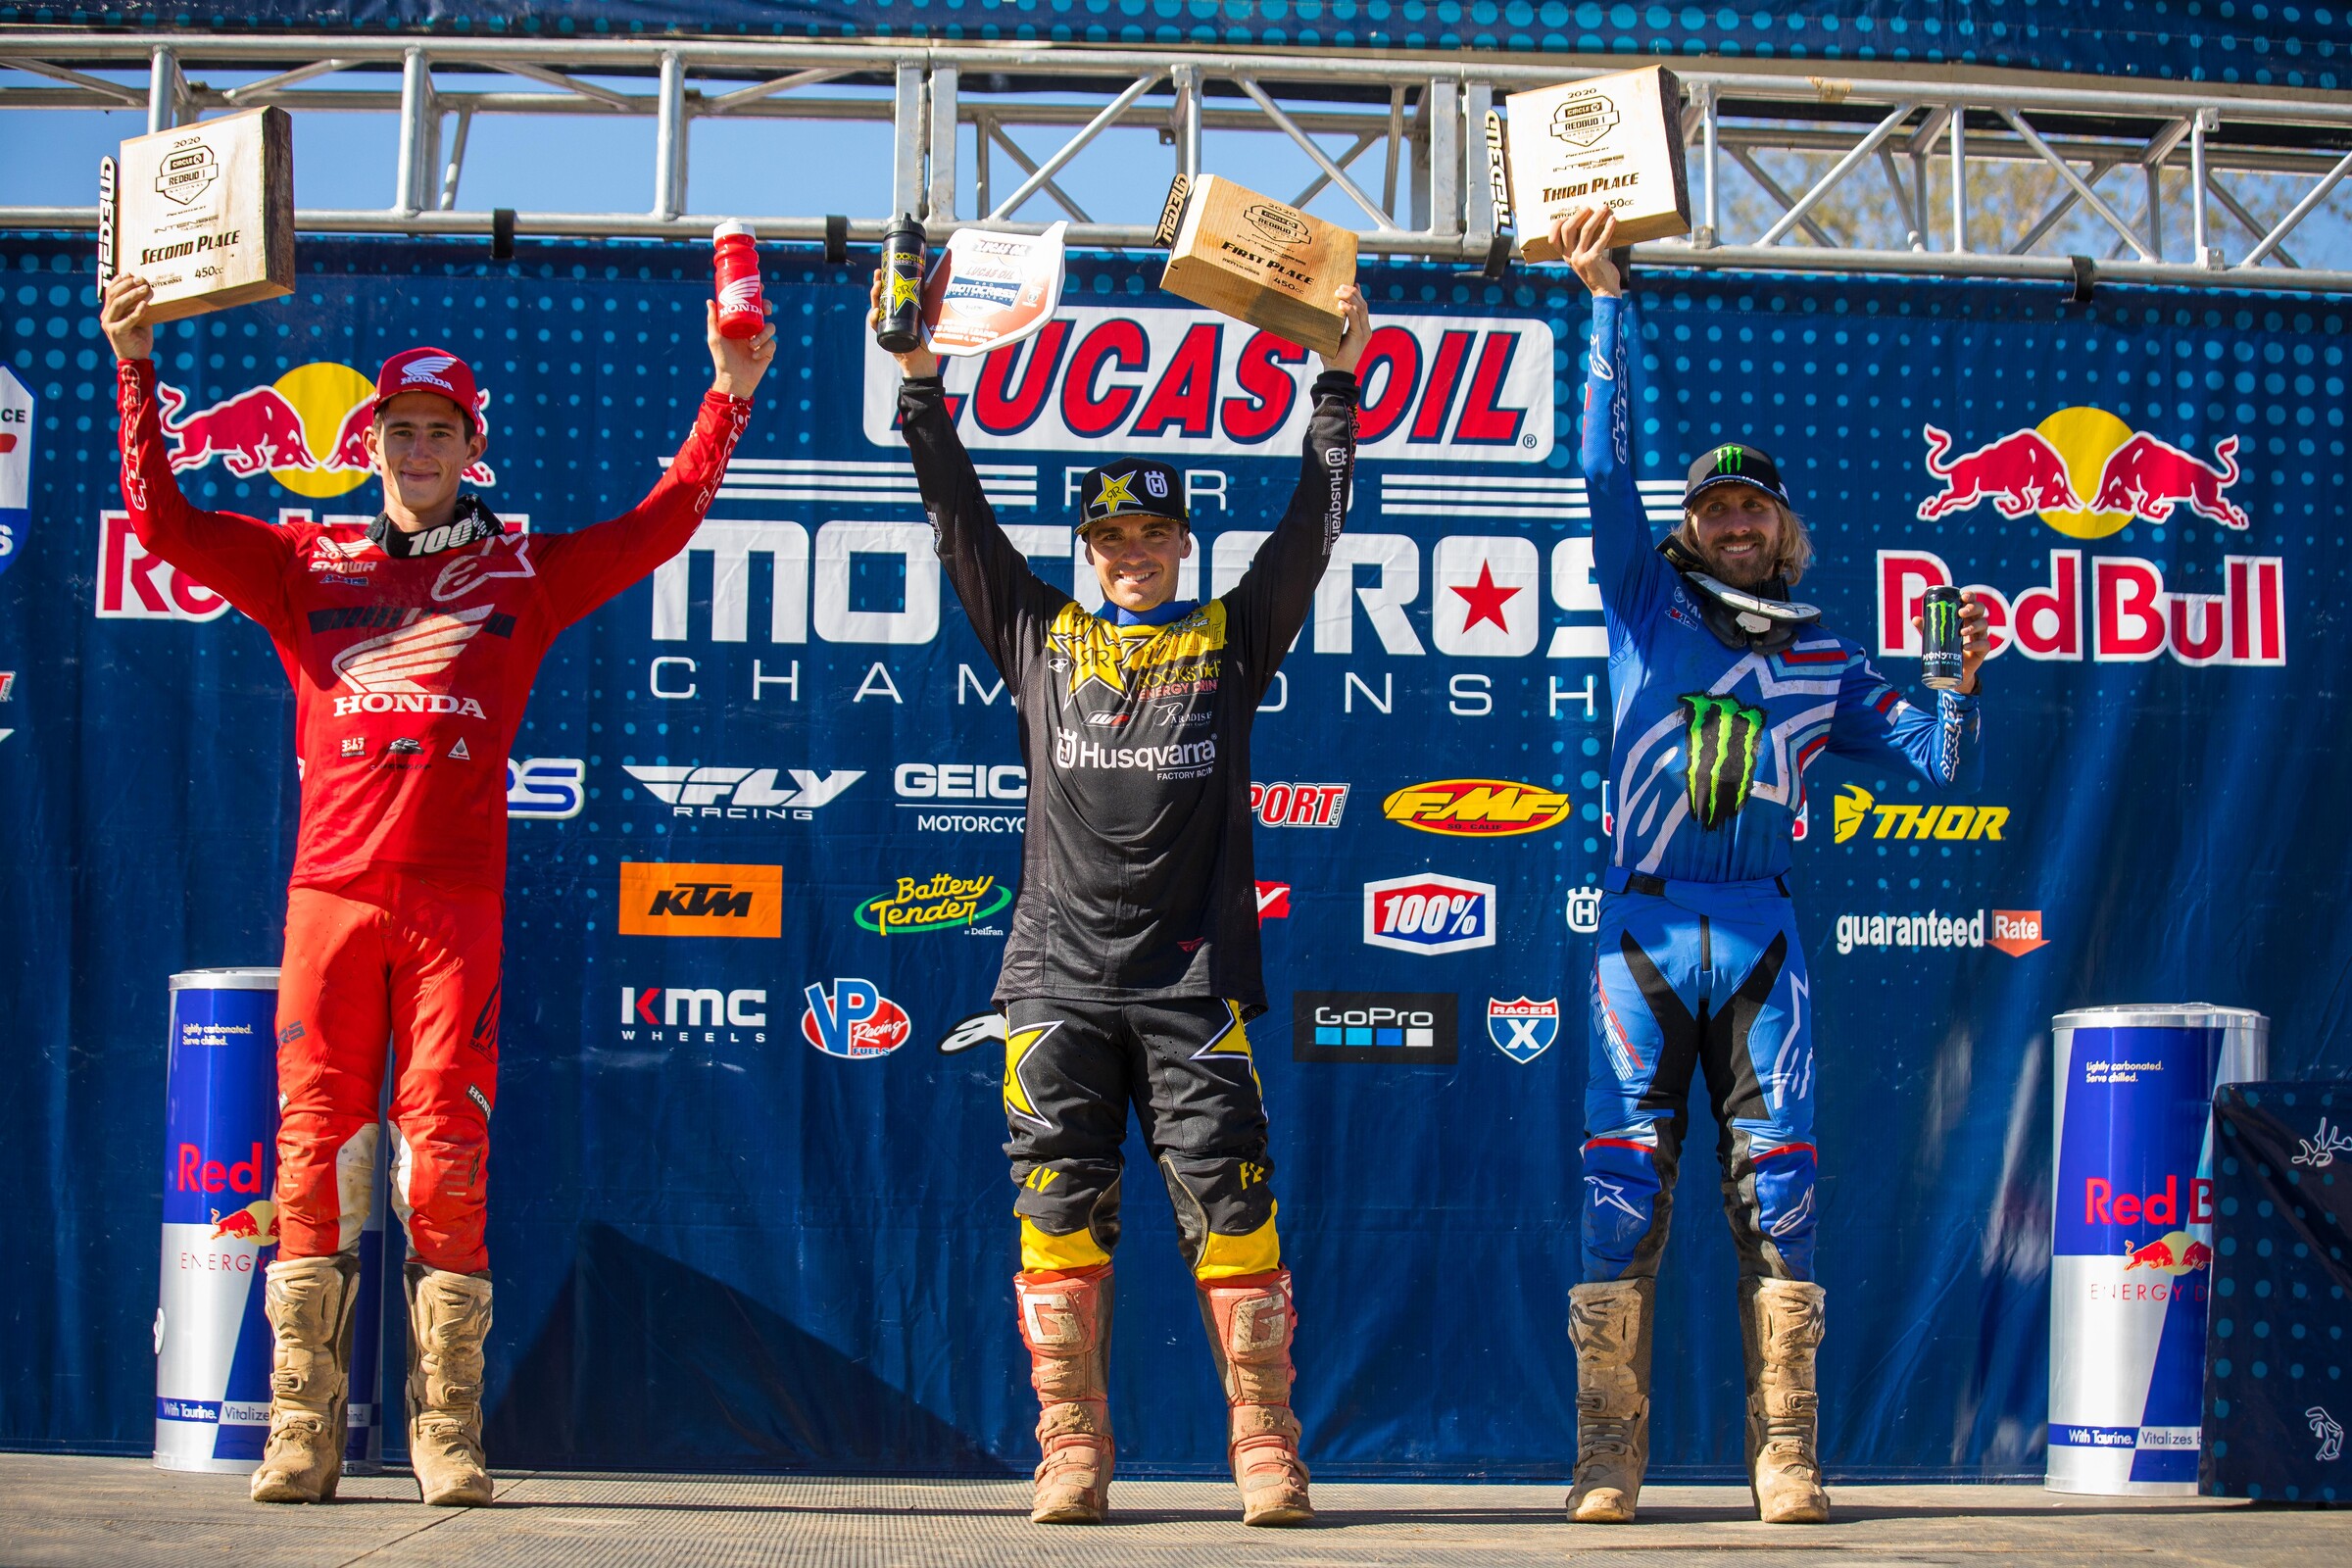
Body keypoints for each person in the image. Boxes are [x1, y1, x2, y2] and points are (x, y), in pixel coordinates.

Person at [101, 273, 775, 1507]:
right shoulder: (304, 562)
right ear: (370, 445)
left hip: (454, 898)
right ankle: (299, 1429)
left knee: (444, 1159)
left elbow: (663, 520)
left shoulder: (525, 571)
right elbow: (164, 524)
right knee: (310, 1152)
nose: (418, 449)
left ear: (475, 445)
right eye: (398, 430)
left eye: (440, 430)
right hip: (333, 897)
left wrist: (727, 397)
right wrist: (137, 364)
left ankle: (443, 1430)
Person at [874, 271, 1368, 1526]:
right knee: (1058, 1214)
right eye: (1110, 541)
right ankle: (1072, 1452)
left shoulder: (1231, 638)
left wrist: (1337, 389)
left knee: (1237, 1208)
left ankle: (1264, 1448)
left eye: (1152, 537)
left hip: (1193, 984)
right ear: (1086, 553)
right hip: (1051, 982)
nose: (1132, 556)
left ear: (1181, 545)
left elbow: (1311, 529)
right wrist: (927, 389)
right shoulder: (1040, 635)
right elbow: (959, 523)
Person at [1549, 209, 1990, 1526]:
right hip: (1642, 931)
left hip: (1761, 938)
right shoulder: (1643, 599)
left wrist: (1951, 690)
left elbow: (1934, 761)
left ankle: (1786, 1450)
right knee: (1620, 1183)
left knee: (1783, 1186)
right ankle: (1604, 1455)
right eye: (1716, 507)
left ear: (1786, 529)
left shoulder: (1823, 660)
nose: (1735, 523)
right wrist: (1609, 305)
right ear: (1689, 526)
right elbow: (1599, 470)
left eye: (1754, 508)